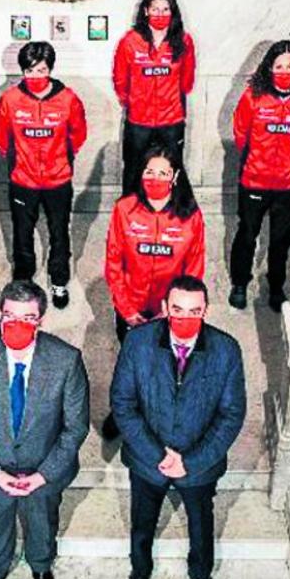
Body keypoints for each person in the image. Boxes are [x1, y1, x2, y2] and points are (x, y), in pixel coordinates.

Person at [109, 275, 246, 579]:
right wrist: (157, 454)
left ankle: (200, 574)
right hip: (147, 460)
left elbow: (231, 415)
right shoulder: (137, 342)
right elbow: (123, 403)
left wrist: (191, 461)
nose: (185, 318)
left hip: (198, 464)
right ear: (164, 307)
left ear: (206, 310)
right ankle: (140, 571)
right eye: (178, 309)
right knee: (142, 521)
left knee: (201, 523)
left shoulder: (226, 350)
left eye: (194, 311)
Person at [0, 280, 90, 579]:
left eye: (28, 318)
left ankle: (41, 567)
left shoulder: (66, 361)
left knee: (42, 522)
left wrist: (42, 475)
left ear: (40, 321)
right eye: (10, 316)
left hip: (44, 469)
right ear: (0, 316)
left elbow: (75, 427)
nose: (18, 325)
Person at [102, 143, 205, 439]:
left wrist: (170, 311)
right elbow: (113, 263)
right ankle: (122, 412)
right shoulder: (124, 209)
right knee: (129, 361)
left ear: (175, 177)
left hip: (170, 311)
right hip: (131, 306)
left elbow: (193, 269)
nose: (155, 178)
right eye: (150, 171)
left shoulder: (190, 216)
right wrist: (127, 311)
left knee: (166, 365)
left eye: (163, 172)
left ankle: (159, 414)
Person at [0, 41, 88, 309]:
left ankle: (59, 281)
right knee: (22, 235)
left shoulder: (68, 99)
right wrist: (18, 165)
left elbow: (78, 135)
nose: (35, 76)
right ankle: (23, 282)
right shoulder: (10, 99)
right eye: (29, 71)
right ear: (22, 71)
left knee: (59, 233)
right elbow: (2, 139)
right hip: (23, 181)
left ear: (50, 69)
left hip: (58, 181)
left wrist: (61, 160)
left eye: (41, 70)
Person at [229, 40, 290, 312]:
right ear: (269, 67)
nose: (285, 70)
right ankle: (240, 283)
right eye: (279, 66)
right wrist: (258, 159)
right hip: (254, 180)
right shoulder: (252, 97)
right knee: (247, 233)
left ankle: (276, 286)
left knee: (281, 239)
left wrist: (289, 159)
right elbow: (241, 133)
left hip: (289, 184)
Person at [113, 0, 196, 195]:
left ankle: (173, 217)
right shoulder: (130, 41)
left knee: (172, 169)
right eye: (155, 9)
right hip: (139, 122)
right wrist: (133, 102)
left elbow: (187, 81)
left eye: (165, 9)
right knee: (133, 169)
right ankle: (130, 212)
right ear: (145, 11)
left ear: (173, 12)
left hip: (171, 121)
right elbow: (120, 79)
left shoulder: (184, 41)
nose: (160, 14)